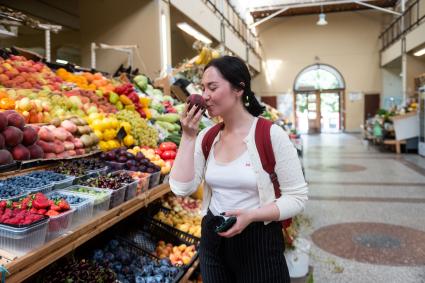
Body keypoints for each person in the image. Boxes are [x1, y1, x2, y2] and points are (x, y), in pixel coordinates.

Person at [170, 56, 308, 283]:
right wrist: (187, 136)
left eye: (212, 87)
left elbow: (297, 197)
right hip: (213, 240)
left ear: (239, 88)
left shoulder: (270, 135)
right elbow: (182, 188)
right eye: (203, 88)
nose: (204, 96)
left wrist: (252, 215)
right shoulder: (207, 137)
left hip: (259, 240)